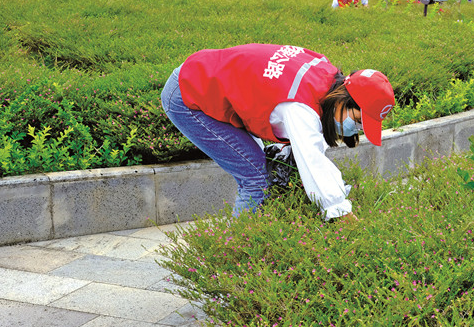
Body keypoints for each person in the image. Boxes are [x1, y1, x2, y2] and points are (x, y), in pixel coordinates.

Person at [160, 44, 395, 220]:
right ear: (344, 99)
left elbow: (311, 150)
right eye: (357, 120)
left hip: (208, 74)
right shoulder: (299, 107)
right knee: (255, 177)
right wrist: (341, 212)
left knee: (271, 170)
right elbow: (312, 160)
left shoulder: (327, 74)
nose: (355, 129)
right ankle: (234, 255)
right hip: (189, 93)